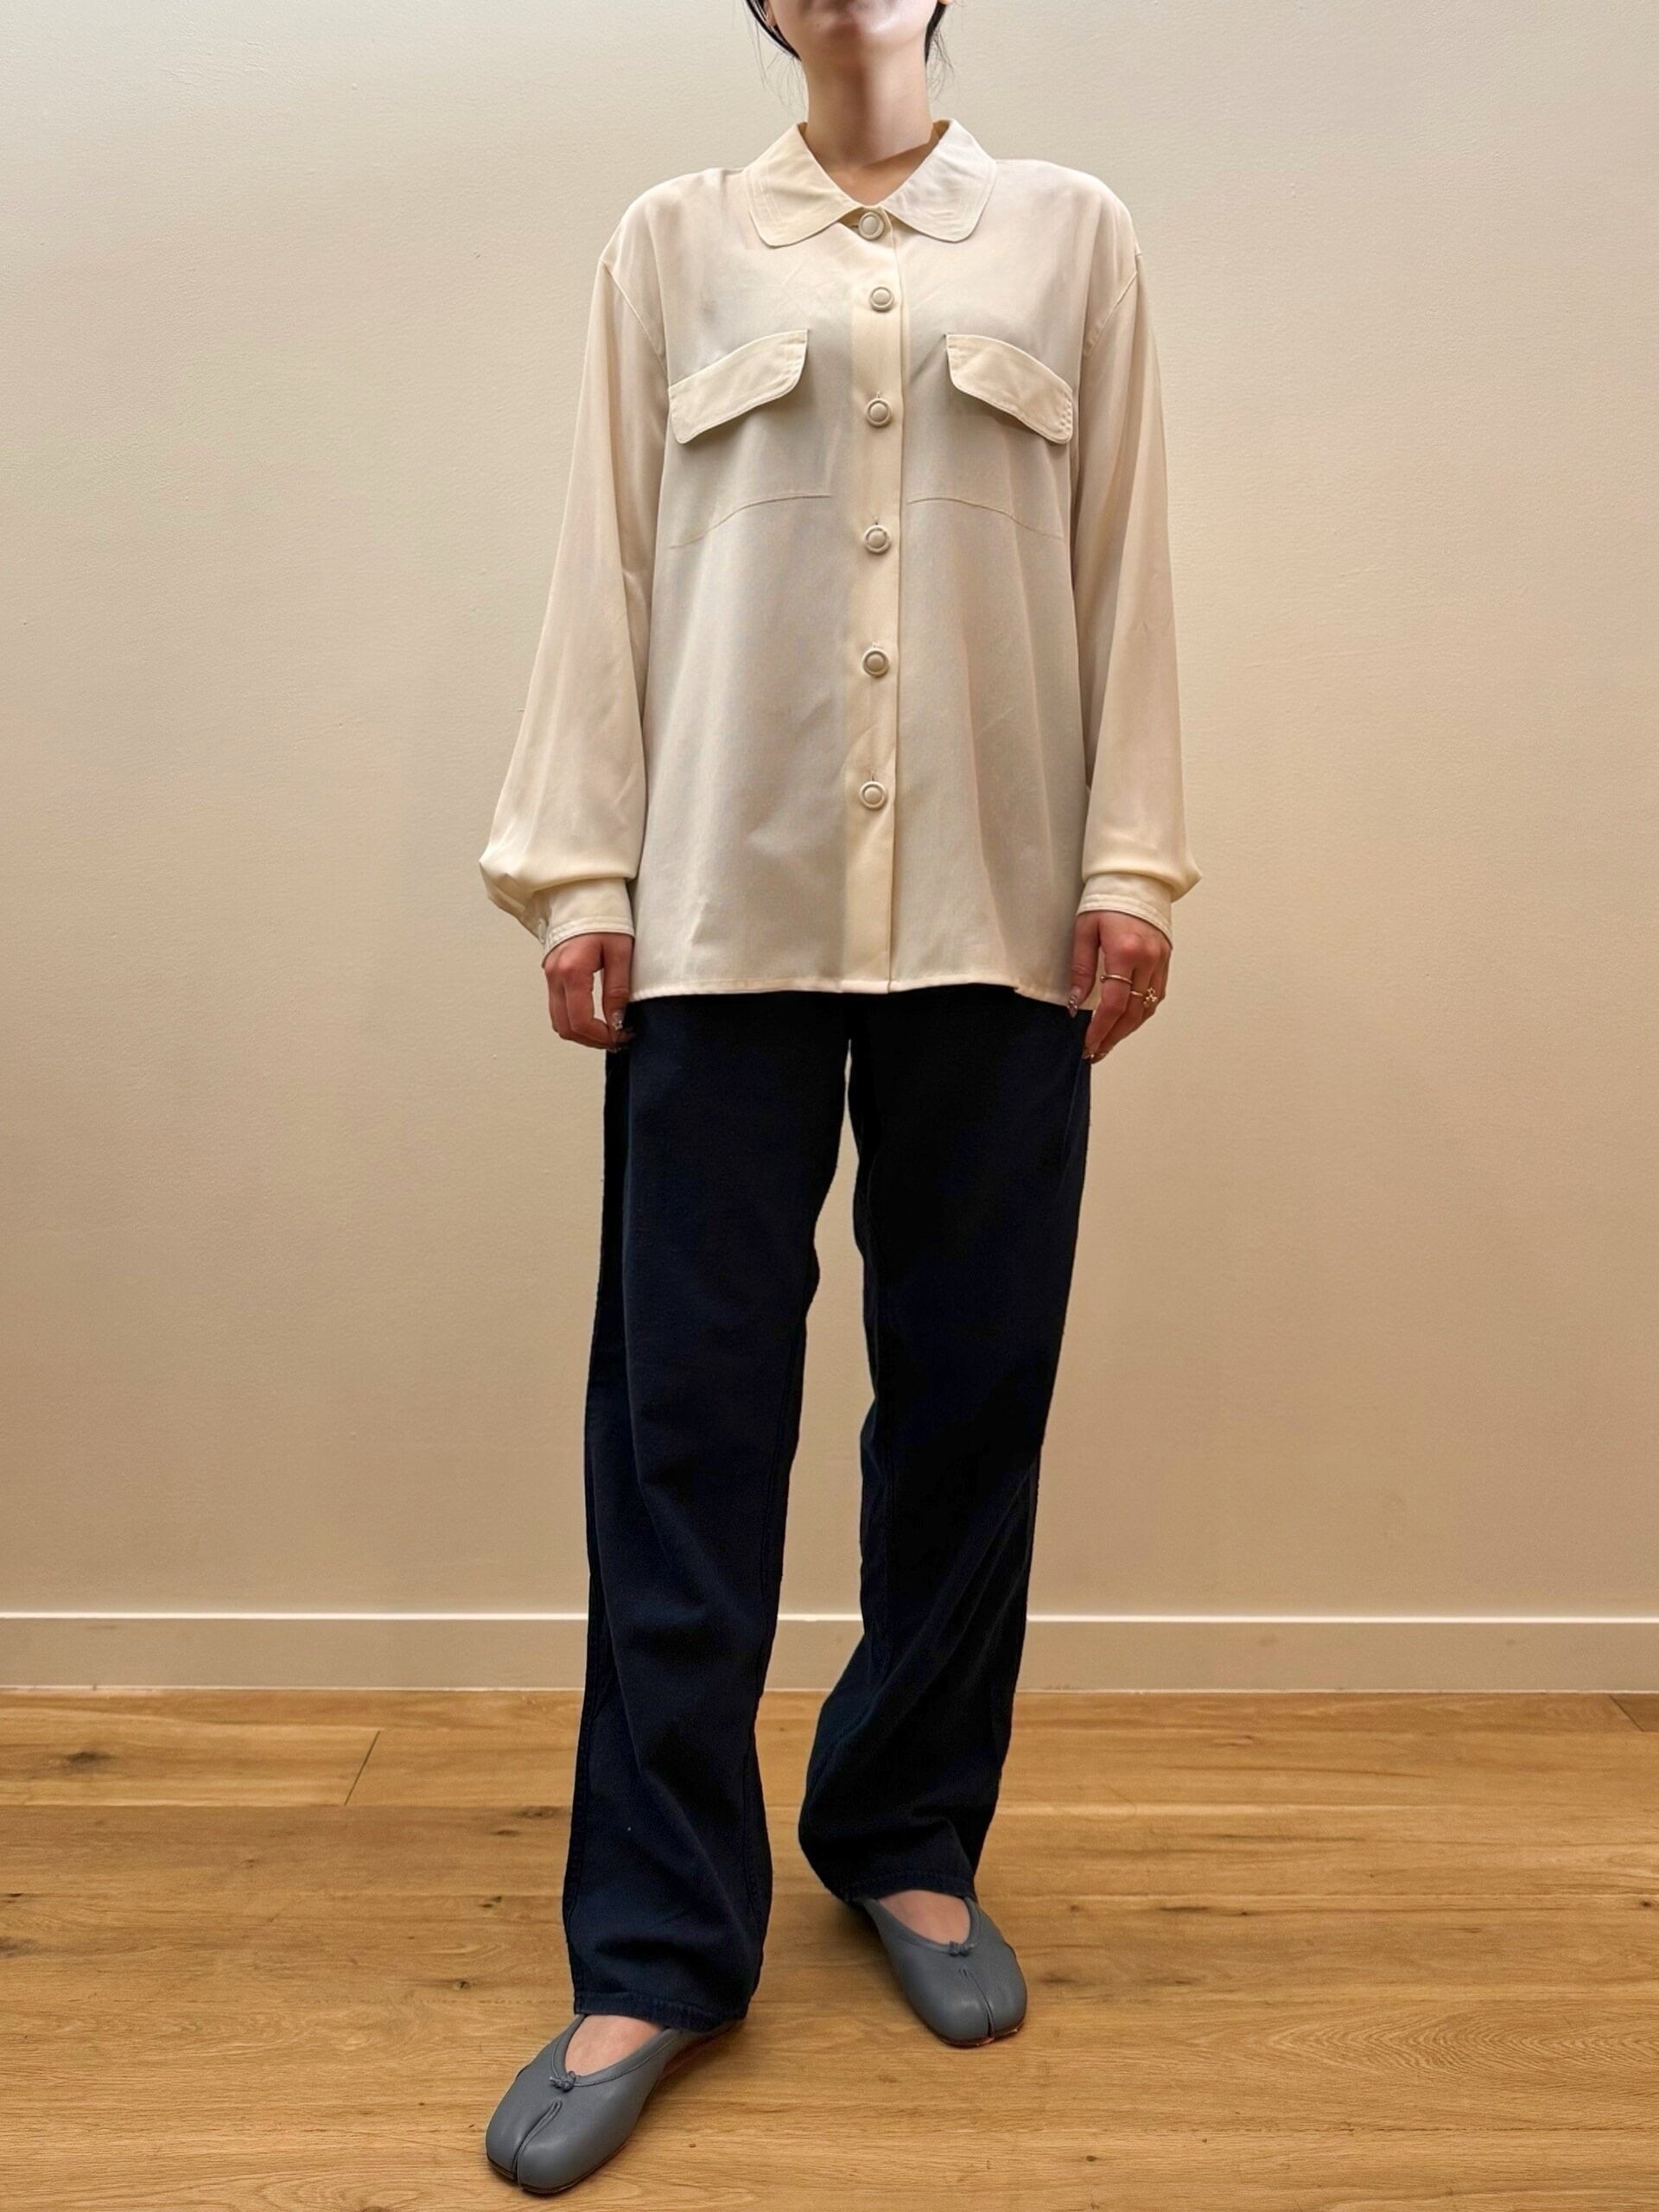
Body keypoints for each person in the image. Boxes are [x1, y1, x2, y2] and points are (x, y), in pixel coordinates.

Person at [476, 0, 1199, 2190]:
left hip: (1000, 904)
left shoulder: (1072, 235)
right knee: (683, 1428)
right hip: (722, 908)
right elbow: (605, 556)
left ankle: (902, 1828)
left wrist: (1133, 858)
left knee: (970, 1401)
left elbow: (1125, 559)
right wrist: (578, 870)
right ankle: (656, 1944)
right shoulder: (673, 242)